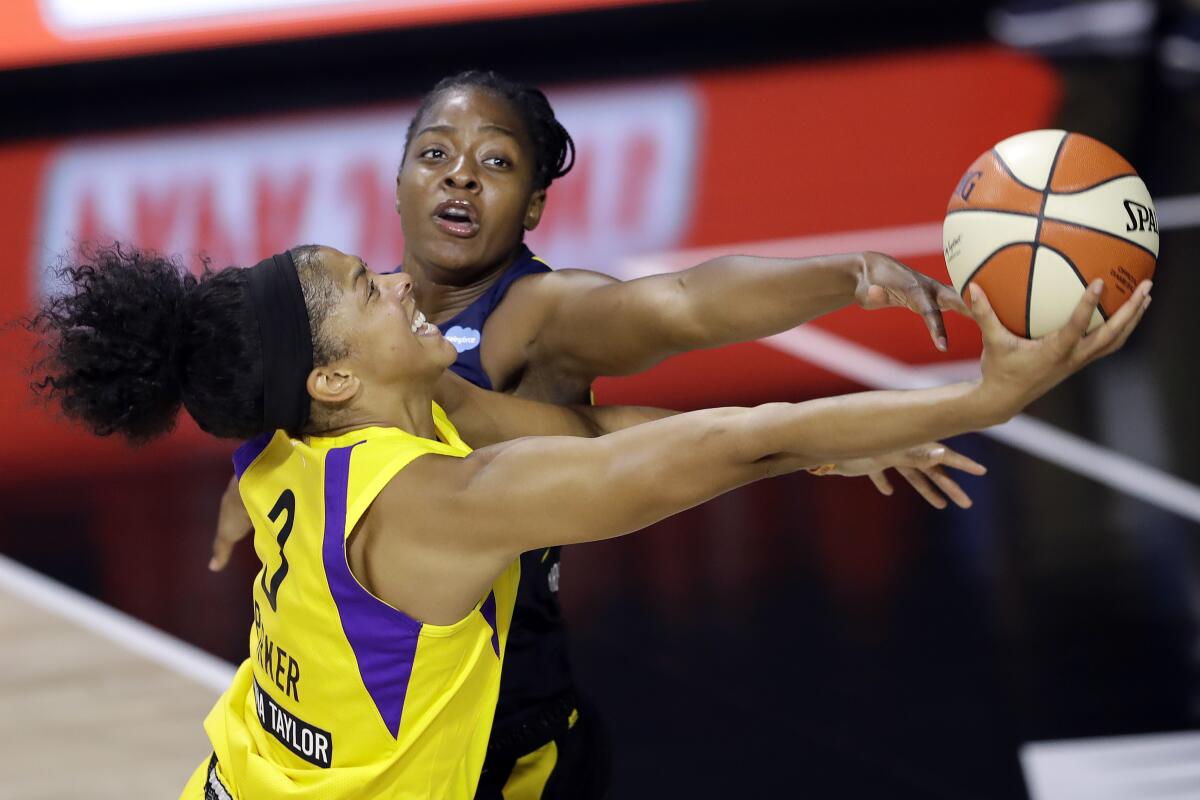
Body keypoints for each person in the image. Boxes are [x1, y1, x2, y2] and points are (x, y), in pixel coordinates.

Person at [33, 239, 1147, 798]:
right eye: (364, 291)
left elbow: (604, 442)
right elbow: (706, 451)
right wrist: (984, 397)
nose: (399, 278)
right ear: (329, 380)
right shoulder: (435, 503)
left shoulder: (287, 426)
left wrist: (828, 444)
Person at [212, 70, 1013, 800]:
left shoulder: (533, 315)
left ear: (532, 206)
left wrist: (844, 278)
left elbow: (681, 312)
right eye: (434, 153)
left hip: (509, 727)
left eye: (495, 163)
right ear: (398, 181)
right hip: (391, 727)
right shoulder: (355, 342)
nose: (459, 175)